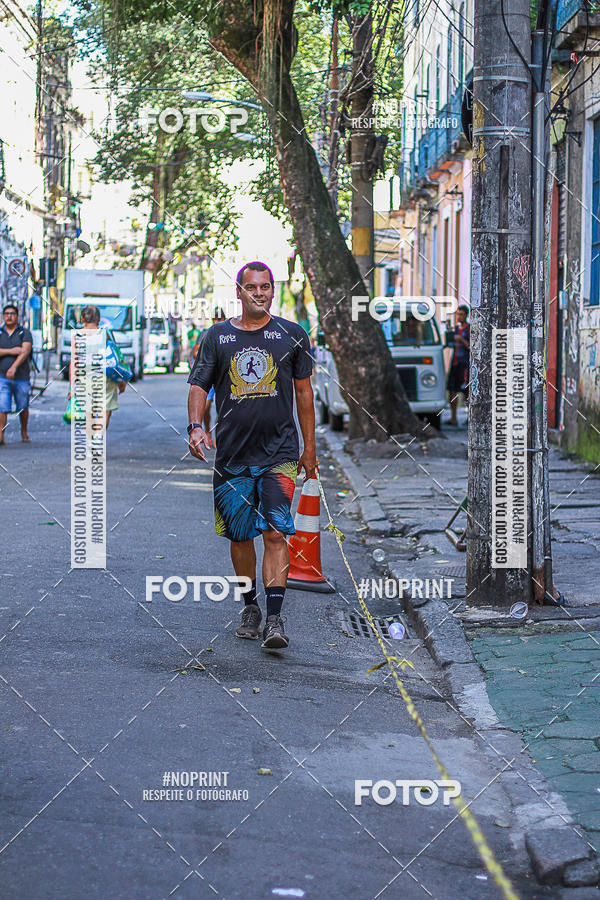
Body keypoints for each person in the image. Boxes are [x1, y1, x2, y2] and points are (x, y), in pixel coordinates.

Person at [187, 262, 316, 651]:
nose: (259, 293)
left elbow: (305, 393)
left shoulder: (292, 334)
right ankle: (250, 607)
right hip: (232, 455)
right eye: (251, 287)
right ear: (239, 292)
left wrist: (309, 448)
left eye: (265, 287)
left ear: (273, 290)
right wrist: (195, 427)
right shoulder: (218, 336)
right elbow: (199, 386)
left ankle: (275, 617)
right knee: (240, 536)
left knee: (275, 532)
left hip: (280, 453)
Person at [69, 305, 126, 430]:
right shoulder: (106, 334)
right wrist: (121, 380)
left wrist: (72, 387)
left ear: (82, 319)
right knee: (105, 410)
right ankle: (98, 436)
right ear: (99, 319)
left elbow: (74, 362)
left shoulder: (77, 336)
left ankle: (91, 438)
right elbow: (115, 358)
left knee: (88, 411)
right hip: (106, 377)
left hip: (85, 378)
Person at [0, 304, 33, 445]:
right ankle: (1, 434)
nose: (9, 316)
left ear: (17, 316)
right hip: (2, 376)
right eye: (6, 314)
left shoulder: (24, 333)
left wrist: (13, 367)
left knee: (23, 406)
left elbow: (25, 351)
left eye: (12, 314)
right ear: (3, 316)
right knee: (2, 406)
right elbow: (18, 351)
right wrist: (11, 351)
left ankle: (24, 431)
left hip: (22, 377)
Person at [447, 304, 470, 426]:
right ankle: (453, 418)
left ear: (466, 315)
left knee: (466, 391)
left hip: (464, 364)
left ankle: (469, 417)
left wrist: (461, 339)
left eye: (461, 314)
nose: (459, 317)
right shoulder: (456, 329)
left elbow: (471, 346)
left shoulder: (469, 329)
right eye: (457, 314)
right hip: (455, 362)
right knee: (452, 390)